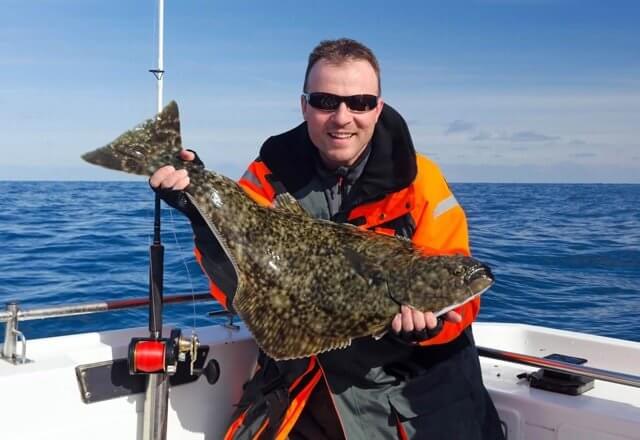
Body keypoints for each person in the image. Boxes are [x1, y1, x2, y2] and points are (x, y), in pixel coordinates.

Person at [151, 38, 504, 439]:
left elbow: (463, 303)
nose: (342, 117)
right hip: (302, 390)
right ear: (303, 106)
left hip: (406, 397)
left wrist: (431, 328)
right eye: (324, 101)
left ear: (378, 108)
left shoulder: (420, 180)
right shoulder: (267, 176)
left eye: (360, 103)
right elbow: (235, 292)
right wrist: (200, 211)